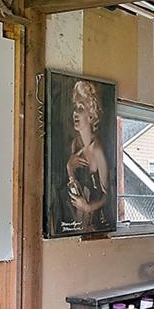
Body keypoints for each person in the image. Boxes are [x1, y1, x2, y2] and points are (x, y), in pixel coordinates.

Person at [64, 79, 110, 227]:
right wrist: (69, 169)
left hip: (96, 223)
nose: (75, 113)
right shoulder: (75, 144)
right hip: (79, 220)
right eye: (75, 108)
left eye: (80, 108)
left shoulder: (97, 150)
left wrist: (88, 207)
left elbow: (108, 196)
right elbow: (75, 189)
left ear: (91, 115)